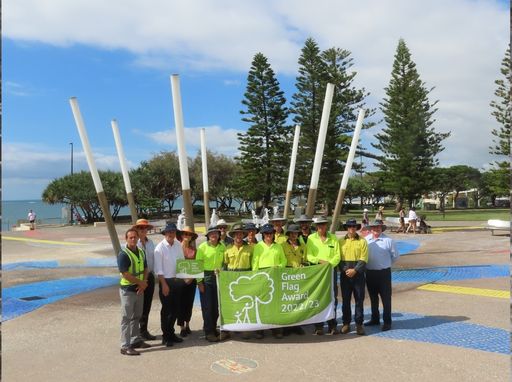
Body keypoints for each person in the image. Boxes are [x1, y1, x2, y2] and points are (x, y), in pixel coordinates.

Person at [117, 228, 151, 356]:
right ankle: (125, 346)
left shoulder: (141, 252)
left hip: (139, 289)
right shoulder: (123, 254)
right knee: (126, 318)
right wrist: (140, 283)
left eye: (134, 237)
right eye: (130, 237)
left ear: (138, 238)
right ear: (126, 239)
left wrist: (144, 282)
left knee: (137, 316)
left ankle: (135, 340)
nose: (133, 239)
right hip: (128, 290)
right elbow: (125, 274)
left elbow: (146, 268)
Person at [306, 217, 341, 335]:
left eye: (323, 225)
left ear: (327, 225)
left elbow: (337, 255)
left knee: (332, 297)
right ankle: (319, 326)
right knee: (318, 297)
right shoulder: (311, 238)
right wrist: (320, 261)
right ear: (316, 226)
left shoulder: (333, 238)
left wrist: (329, 264)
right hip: (318, 272)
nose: (321, 227)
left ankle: (332, 324)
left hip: (331, 271)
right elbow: (309, 256)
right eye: (319, 225)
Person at [252, 223, 287, 339]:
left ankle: (276, 327)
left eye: (270, 233)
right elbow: (255, 263)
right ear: (263, 235)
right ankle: (260, 328)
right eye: (266, 233)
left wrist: (279, 267)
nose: (268, 235)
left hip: (275, 276)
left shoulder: (278, 247)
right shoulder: (259, 246)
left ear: (273, 234)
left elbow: (284, 261)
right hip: (262, 277)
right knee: (262, 303)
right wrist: (256, 276)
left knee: (275, 303)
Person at [364, 220, 399, 331]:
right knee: (373, 298)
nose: (376, 229)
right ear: (370, 229)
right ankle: (375, 319)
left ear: (381, 228)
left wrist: (385, 264)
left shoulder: (388, 240)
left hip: (384, 273)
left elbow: (395, 256)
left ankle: (387, 322)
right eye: (374, 227)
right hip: (370, 272)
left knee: (386, 299)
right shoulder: (366, 240)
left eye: (378, 227)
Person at [153, 223, 185, 347]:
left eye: (173, 232)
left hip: (177, 281)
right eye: (169, 232)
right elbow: (158, 269)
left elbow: (181, 263)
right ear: (165, 233)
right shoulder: (159, 248)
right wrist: (164, 285)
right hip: (165, 281)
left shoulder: (178, 245)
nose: (171, 234)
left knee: (176, 309)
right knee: (167, 311)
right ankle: (165, 337)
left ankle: (171, 333)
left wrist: (184, 278)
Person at [196, 225, 226, 342]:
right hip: (206, 278)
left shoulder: (222, 247)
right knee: (207, 307)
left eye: (216, 233)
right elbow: (198, 265)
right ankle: (208, 332)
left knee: (216, 306)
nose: (214, 235)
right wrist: (199, 282)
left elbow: (224, 262)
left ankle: (213, 328)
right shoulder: (202, 247)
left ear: (219, 235)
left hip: (218, 278)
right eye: (211, 233)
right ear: (208, 236)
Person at [223, 222, 253, 340]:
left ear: (243, 235)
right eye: (236, 234)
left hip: (245, 278)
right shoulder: (228, 249)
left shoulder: (250, 249)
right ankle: (230, 328)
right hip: (231, 278)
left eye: (241, 234)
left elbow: (253, 265)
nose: (238, 236)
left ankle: (244, 328)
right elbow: (225, 265)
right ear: (233, 236)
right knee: (232, 304)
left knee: (245, 304)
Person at [339, 219, 368, 336]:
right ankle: (346, 323)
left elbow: (364, 258)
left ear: (356, 227)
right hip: (345, 275)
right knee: (345, 300)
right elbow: (338, 258)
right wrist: (346, 270)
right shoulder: (340, 241)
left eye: (354, 226)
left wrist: (355, 270)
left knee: (359, 300)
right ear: (346, 227)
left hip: (358, 275)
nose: (352, 228)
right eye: (349, 226)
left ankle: (359, 324)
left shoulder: (362, 241)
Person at [133, 219, 157, 341]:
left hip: (150, 277)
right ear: (136, 229)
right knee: (137, 306)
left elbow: (154, 259)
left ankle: (143, 330)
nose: (143, 230)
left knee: (146, 305)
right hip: (138, 278)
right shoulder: (134, 243)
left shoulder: (151, 243)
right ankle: (135, 333)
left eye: (145, 228)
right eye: (140, 228)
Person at [281, 223, 307, 335]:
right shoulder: (282, 245)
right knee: (287, 301)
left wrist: (304, 266)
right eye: (291, 233)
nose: (293, 235)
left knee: (298, 301)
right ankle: (287, 326)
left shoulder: (302, 246)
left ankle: (297, 325)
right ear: (288, 234)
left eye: (296, 233)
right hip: (287, 275)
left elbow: (305, 260)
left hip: (299, 276)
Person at [176, 226, 198, 337]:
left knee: (189, 303)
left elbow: (196, 265)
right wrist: (184, 278)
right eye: (185, 234)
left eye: (189, 235)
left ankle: (188, 324)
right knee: (180, 303)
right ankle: (182, 326)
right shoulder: (176, 249)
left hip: (192, 280)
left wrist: (192, 278)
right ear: (182, 235)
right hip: (180, 280)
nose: (187, 236)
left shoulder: (194, 250)